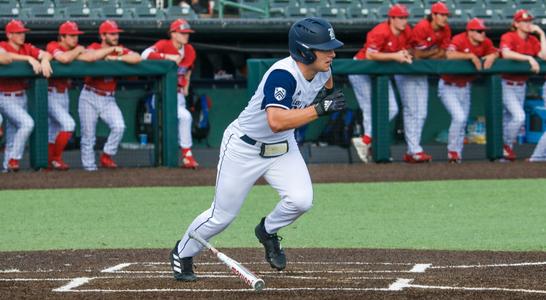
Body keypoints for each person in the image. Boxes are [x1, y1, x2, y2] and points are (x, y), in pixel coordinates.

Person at [169, 17, 345, 281]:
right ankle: (182, 252)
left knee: (300, 200)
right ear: (304, 50)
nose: (332, 53)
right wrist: (319, 109)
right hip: (244, 147)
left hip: (283, 147)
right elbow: (275, 121)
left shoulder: (324, 69)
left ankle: (267, 230)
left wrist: (322, 99)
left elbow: (327, 87)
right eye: (325, 48)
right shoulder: (282, 75)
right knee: (221, 217)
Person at [349, 4, 411, 163]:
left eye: (405, 17)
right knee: (370, 108)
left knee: (393, 109)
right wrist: (396, 56)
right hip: (361, 70)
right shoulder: (381, 30)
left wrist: (405, 55)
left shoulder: (406, 32)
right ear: (392, 18)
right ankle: (367, 142)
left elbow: (404, 50)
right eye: (401, 18)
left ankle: (365, 141)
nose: (404, 21)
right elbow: (370, 55)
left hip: (379, 72)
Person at [76, 20, 141, 171]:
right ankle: (89, 168)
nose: (116, 36)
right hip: (89, 95)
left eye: (117, 33)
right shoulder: (95, 46)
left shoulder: (119, 50)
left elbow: (137, 58)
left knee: (119, 126)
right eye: (112, 33)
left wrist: (116, 58)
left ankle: (106, 155)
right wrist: (109, 51)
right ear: (102, 35)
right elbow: (90, 56)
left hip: (108, 98)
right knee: (88, 136)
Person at [141, 18, 199, 169]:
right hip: (162, 95)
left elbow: (189, 70)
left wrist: (186, 85)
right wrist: (167, 57)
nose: (186, 35)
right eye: (182, 33)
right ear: (173, 33)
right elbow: (145, 55)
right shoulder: (163, 45)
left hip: (179, 95)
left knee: (181, 121)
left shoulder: (190, 50)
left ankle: (184, 157)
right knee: (185, 117)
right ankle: (187, 156)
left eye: (188, 33)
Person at [439, 18, 498, 163]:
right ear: (470, 32)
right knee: (459, 117)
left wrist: (492, 55)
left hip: (465, 87)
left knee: (463, 120)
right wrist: (470, 56)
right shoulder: (459, 39)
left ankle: (457, 156)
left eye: (483, 31)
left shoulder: (486, 42)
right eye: (479, 31)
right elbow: (449, 55)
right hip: (448, 86)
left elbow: (497, 52)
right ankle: (453, 151)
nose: (482, 33)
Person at [398, 1, 451, 163]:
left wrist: (430, 53)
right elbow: (417, 55)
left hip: (421, 73)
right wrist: (432, 52)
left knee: (421, 113)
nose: (444, 18)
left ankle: (414, 149)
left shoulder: (445, 29)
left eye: (446, 15)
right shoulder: (422, 27)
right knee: (411, 110)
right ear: (433, 15)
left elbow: (443, 53)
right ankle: (413, 150)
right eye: (441, 14)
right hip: (405, 71)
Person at [0, 20, 52, 172]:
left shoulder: (27, 47)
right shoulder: (3, 45)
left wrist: (45, 61)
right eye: (18, 33)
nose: (22, 35)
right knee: (27, 124)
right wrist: (28, 58)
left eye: (23, 32)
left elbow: (47, 54)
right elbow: (6, 58)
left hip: (20, 96)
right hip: (4, 96)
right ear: (9, 35)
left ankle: (6, 170)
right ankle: (14, 159)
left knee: (12, 135)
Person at [499, 9, 546, 161]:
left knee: (510, 121)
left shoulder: (533, 40)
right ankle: (505, 146)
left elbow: (544, 56)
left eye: (529, 21)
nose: (527, 24)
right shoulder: (508, 36)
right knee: (518, 117)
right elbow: (506, 53)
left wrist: (541, 34)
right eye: (524, 21)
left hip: (521, 85)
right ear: (516, 24)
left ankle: (503, 159)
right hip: (506, 84)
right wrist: (528, 59)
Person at [45, 21, 84, 170]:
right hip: (50, 93)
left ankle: (49, 163)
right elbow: (64, 59)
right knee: (69, 124)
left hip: (64, 94)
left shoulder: (76, 49)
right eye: (71, 36)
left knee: (54, 131)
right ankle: (56, 158)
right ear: (62, 37)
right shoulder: (53, 45)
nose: (75, 39)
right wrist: (79, 51)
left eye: (76, 36)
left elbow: (90, 57)